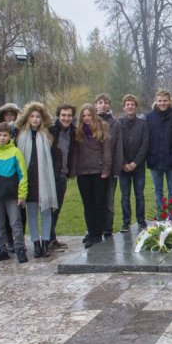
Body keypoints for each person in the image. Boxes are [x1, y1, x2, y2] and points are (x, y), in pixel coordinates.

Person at [15, 102, 58, 258]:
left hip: (44, 179)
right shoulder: (21, 136)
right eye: (32, 116)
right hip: (29, 179)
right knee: (32, 213)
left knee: (46, 212)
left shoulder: (46, 135)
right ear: (27, 118)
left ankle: (45, 241)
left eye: (38, 117)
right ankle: (35, 242)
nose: (35, 119)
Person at [0, 122, 28, 263]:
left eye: (5, 135)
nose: (2, 138)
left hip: (11, 194)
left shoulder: (15, 152)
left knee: (15, 222)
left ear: (10, 137)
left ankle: (20, 248)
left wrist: (22, 194)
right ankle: (1, 249)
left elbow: (22, 175)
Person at [72, 104, 112, 248]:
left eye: (89, 115)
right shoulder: (77, 131)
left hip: (98, 171)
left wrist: (106, 169)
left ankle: (98, 235)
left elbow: (106, 150)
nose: (87, 118)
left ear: (93, 115)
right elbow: (75, 152)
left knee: (99, 204)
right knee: (88, 205)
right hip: (83, 172)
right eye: (84, 116)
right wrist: (73, 170)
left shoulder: (103, 127)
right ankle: (91, 233)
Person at [0, 102, 22, 252]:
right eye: (6, 115)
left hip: (13, 185)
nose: (9, 117)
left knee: (16, 219)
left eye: (12, 114)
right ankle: (3, 246)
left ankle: (19, 245)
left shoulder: (19, 136)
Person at [119, 94, 149, 231]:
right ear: (124, 107)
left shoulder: (143, 124)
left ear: (136, 107)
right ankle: (126, 222)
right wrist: (124, 163)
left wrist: (135, 163)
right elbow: (117, 146)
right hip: (123, 167)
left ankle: (141, 221)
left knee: (139, 195)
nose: (130, 107)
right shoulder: (119, 124)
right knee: (125, 196)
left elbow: (145, 145)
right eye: (127, 104)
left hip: (139, 166)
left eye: (132, 104)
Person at [95, 94, 123, 240]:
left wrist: (117, 169)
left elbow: (118, 147)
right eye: (100, 102)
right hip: (94, 169)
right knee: (95, 201)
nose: (103, 105)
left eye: (106, 103)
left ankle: (108, 229)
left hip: (111, 169)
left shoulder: (116, 124)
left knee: (109, 202)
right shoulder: (91, 122)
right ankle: (94, 229)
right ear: (96, 105)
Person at [48, 104, 76, 251]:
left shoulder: (73, 132)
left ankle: (52, 237)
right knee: (50, 208)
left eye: (69, 115)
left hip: (63, 174)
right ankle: (48, 239)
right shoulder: (51, 131)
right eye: (64, 115)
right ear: (59, 116)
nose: (66, 118)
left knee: (57, 207)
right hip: (51, 174)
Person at [146, 90, 172, 215]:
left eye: (165, 101)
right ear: (156, 101)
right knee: (158, 190)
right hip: (155, 159)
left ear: (169, 101)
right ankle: (161, 216)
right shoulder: (149, 117)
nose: (162, 103)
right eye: (160, 101)